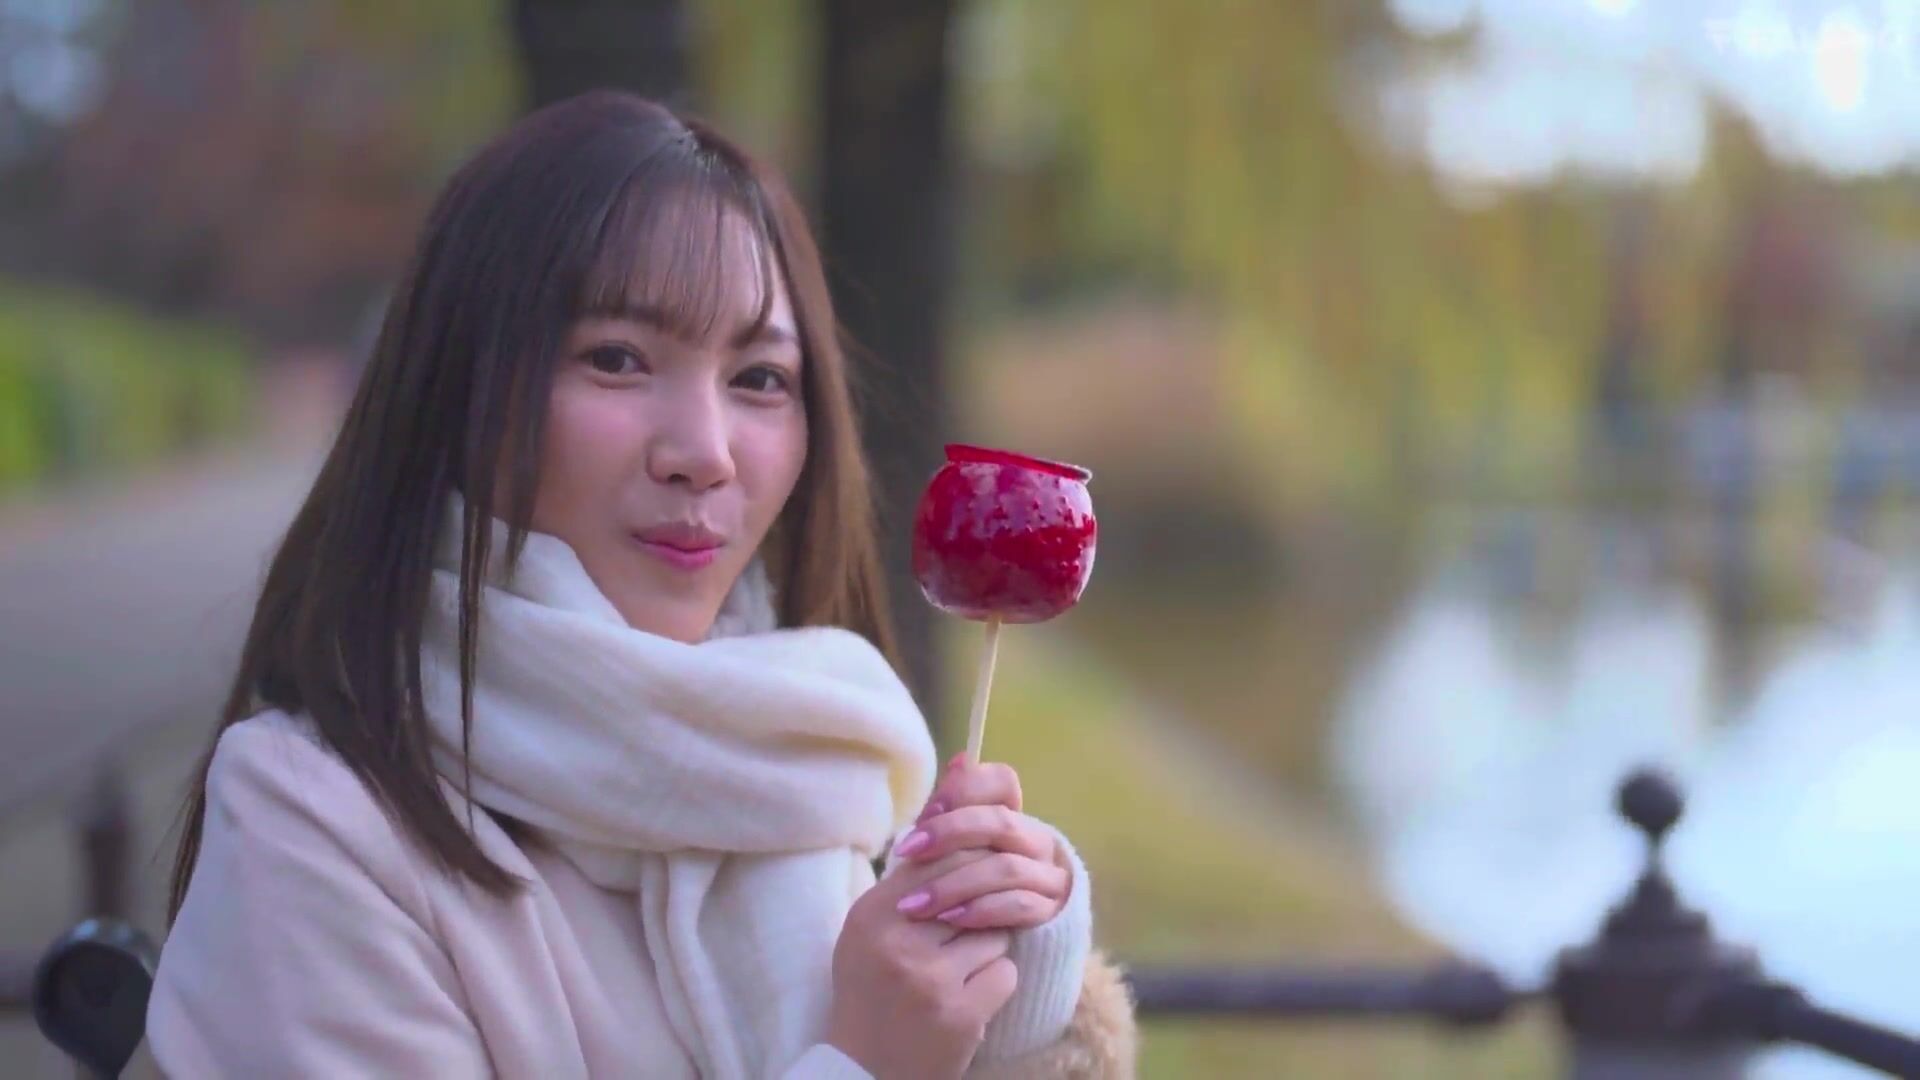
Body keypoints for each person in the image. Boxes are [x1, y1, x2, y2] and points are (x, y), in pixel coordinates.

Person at [147, 92, 1136, 1078]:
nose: (704, 453)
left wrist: (1017, 997)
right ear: (460, 390)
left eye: (759, 379)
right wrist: (867, 1063)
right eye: (616, 360)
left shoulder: (814, 759)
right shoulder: (312, 820)